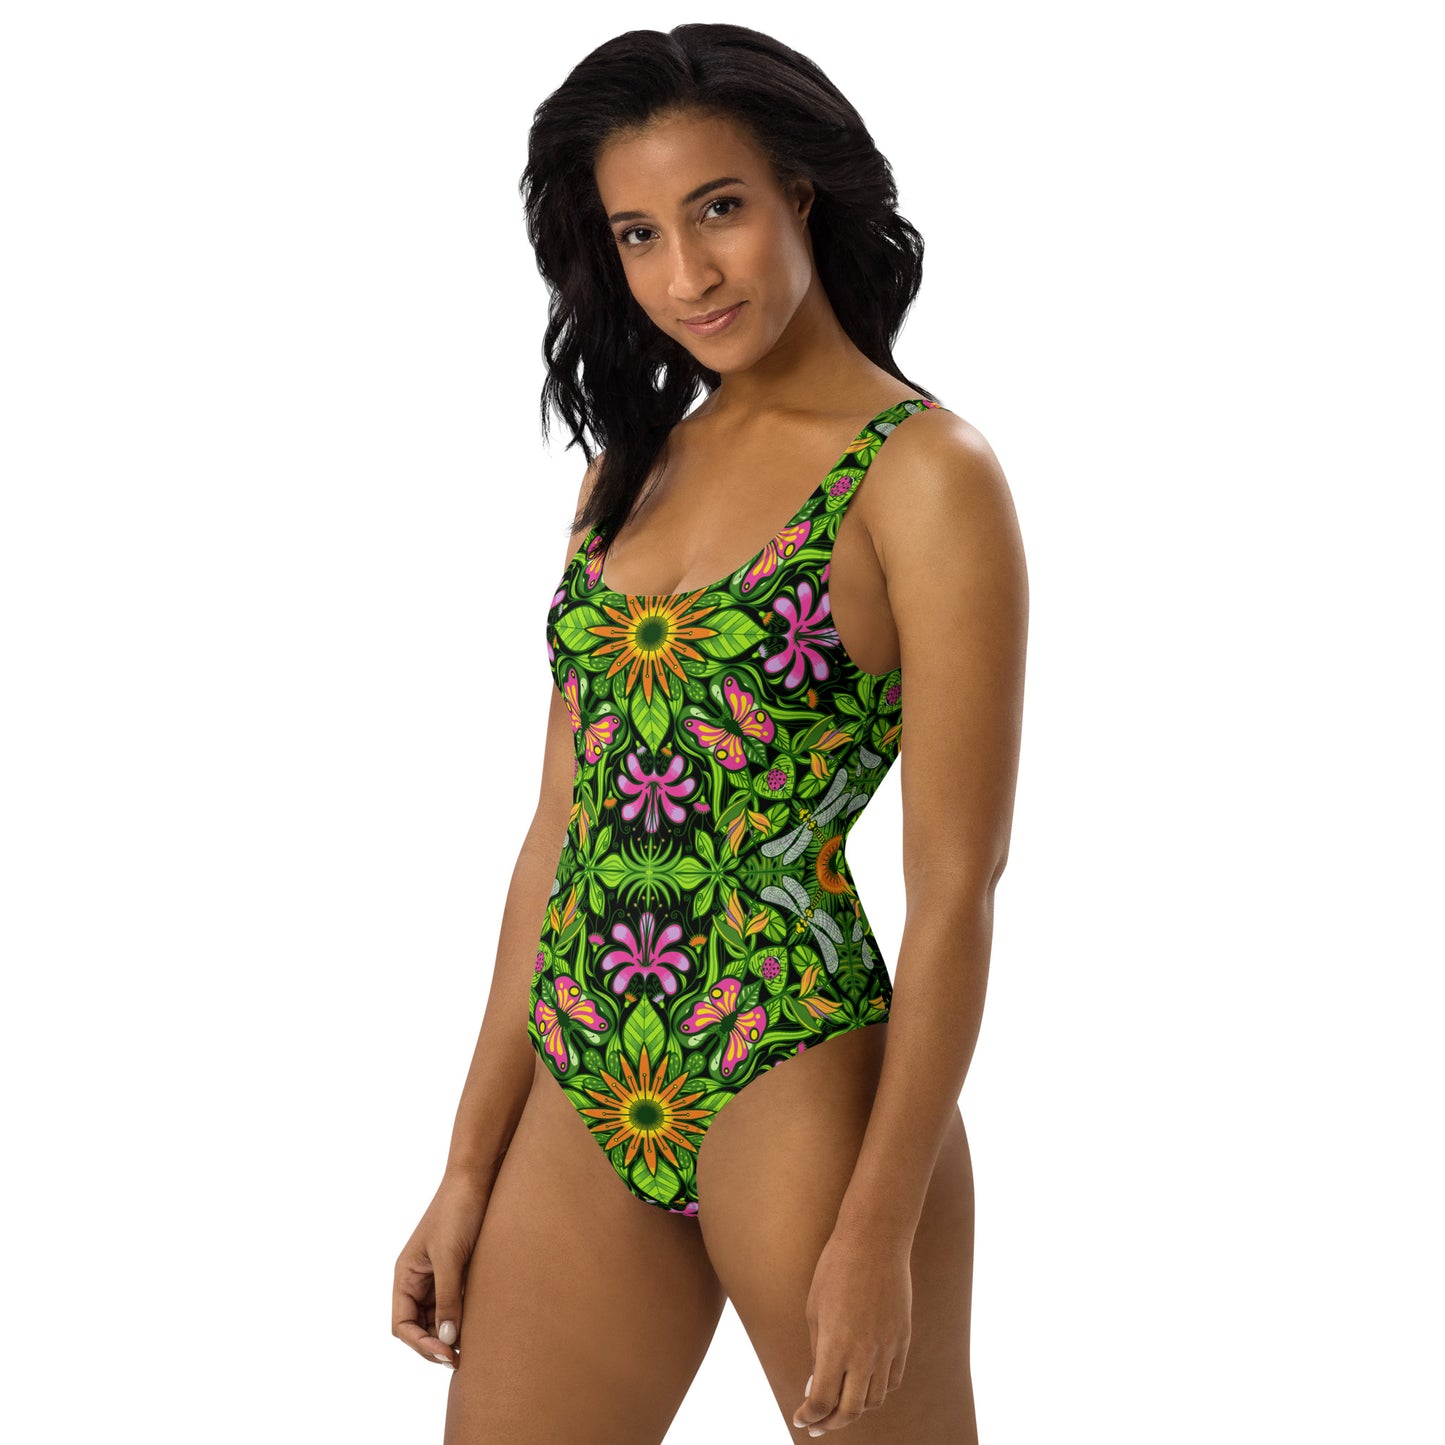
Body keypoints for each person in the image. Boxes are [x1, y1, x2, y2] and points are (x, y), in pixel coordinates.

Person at [393, 22, 1027, 1444]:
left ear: (800, 190)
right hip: (586, 1065)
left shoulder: (924, 474)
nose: (687, 273)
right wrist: (466, 1163)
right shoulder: (625, 474)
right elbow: (558, 836)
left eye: (718, 208)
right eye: (639, 233)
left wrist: (878, 1227)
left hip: (791, 1063)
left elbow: (958, 886)